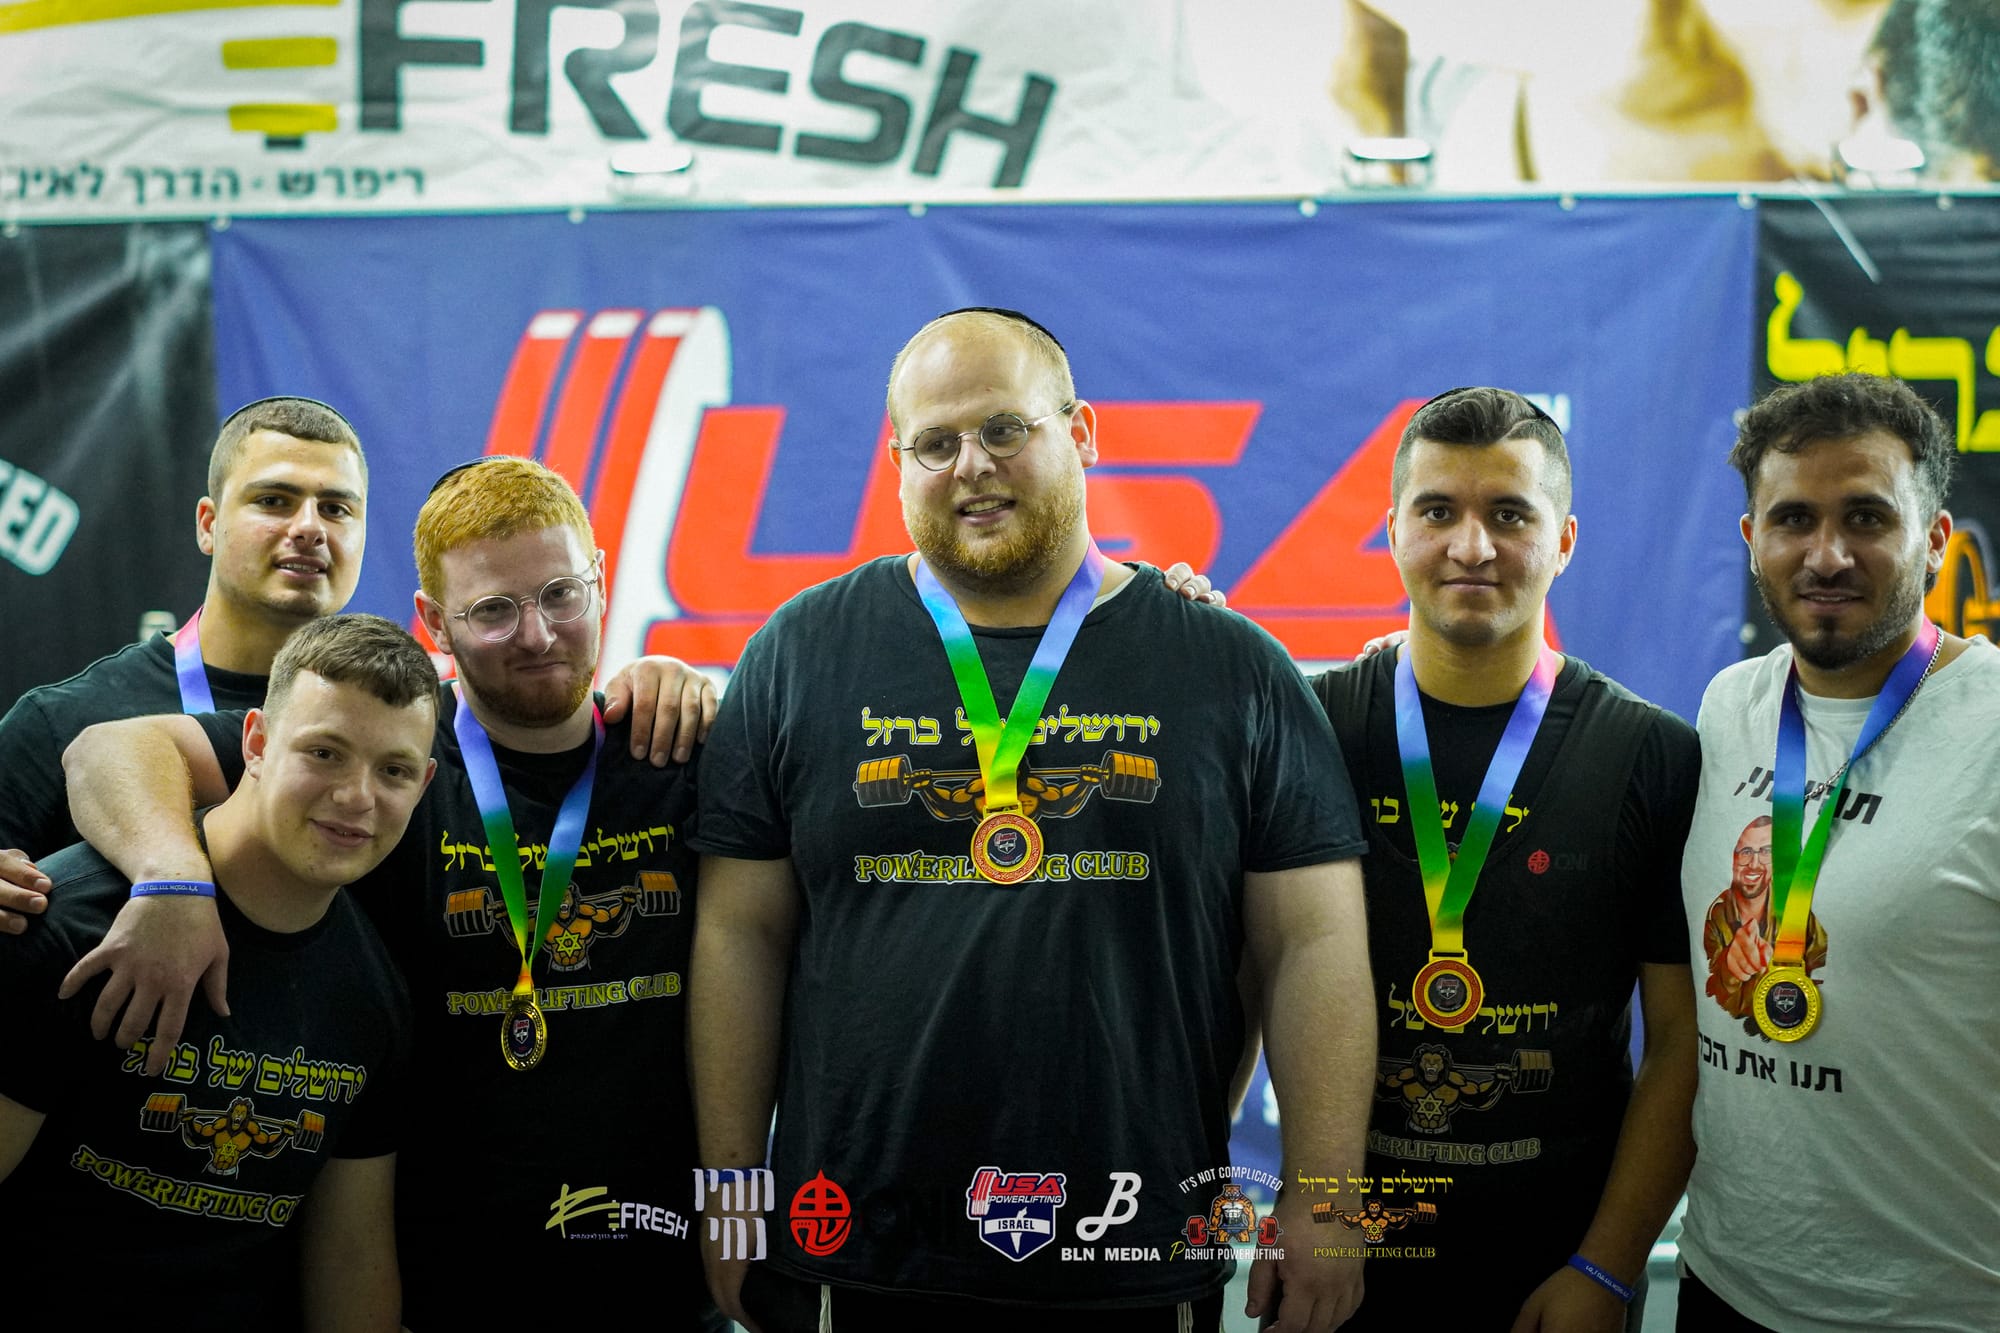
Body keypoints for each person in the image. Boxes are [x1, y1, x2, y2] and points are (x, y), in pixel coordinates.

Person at [689, 306, 1375, 1333]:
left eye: (1005, 428)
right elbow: (739, 934)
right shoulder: (798, 654)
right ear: (897, 463)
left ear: (1081, 433)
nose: (972, 465)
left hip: (1133, 1249)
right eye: (935, 442)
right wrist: (731, 1185)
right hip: (858, 1252)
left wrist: (1324, 1199)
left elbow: (1312, 944)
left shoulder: (1229, 667)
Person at [58, 457, 720, 1329]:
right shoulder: (386, 747)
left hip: (665, 1289)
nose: (537, 634)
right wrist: (173, 877)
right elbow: (108, 750)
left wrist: (744, 1229)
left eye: (562, 593)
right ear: (434, 621)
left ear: (600, 579)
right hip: (429, 1287)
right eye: (493, 609)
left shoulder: (679, 744)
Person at [1308, 387, 1698, 1331]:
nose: (1472, 546)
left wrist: (1606, 1268)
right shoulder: (1314, 729)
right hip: (1347, 1259)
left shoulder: (1648, 754)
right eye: (1438, 510)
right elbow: (1250, 990)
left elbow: (1682, 1042)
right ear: (1392, 531)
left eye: (1511, 515)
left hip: (1559, 1268)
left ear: (1564, 541)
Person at [0, 612, 438, 1330]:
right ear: (256, 743)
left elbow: (351, 1260)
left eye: (393, 770)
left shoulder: (375, 998)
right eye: (324, 753)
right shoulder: (70, 929)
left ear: (423, 784)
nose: (357, 796)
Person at [1676, 371, 2000, 1330]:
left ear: (1935, 539)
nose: (1827, 554)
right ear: (1752, 539)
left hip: (1943, 1306)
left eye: (1867, 517)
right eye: (1794, 520)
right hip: (1727, 1284)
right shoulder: (1729, 706)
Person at [0, 396, 367, 865]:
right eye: (273, 501)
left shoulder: (393, 726)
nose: (310, 528)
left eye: (336, 509)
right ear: (208, 525)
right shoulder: (60, 723)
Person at [1699, 814, 1827, 1032]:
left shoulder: (1798, 908)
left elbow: (1827, 972)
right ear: (1734, 859)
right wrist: (1730, 970)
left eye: (1766, 852)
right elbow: (1709, 990)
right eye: (1746, 852)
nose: (1754, 864)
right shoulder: (1717, 914)